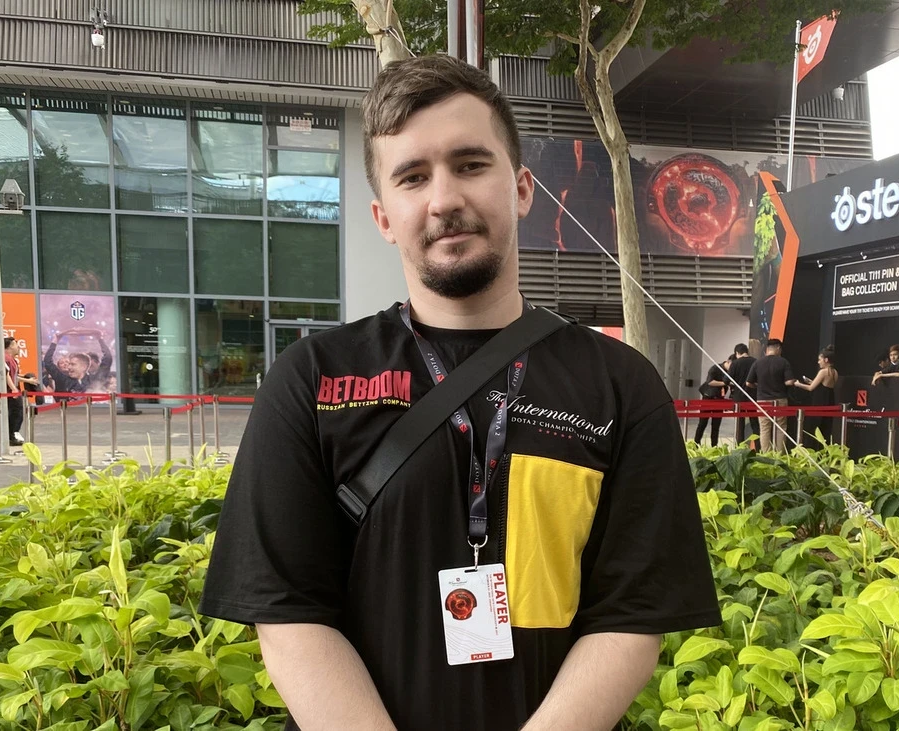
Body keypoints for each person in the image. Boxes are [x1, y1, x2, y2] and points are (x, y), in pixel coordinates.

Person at [199, 55, 720, 731]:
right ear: (384, 217)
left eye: (470, 164)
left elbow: (631, 616)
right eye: (413, 177)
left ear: (522, 189)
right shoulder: (311, 379)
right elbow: (288, 614)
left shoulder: (620, 386)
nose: (443, 198)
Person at [0, 337, 40, 447]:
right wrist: (14, 389)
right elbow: (5, 375)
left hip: (7, 385)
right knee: (17, 410)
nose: (18, 347)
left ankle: (0, 432)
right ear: (10, 346)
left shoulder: (11, 360)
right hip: (4, 385)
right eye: (15, 344)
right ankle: (8, 434)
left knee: (12, 411)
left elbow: (13, 376)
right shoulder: (5, 358)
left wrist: (27, 380)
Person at [746, 338, 797, 453]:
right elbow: (789, 382)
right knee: (780, 428)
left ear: (767, 349)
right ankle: (780, 454)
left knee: (764, 429)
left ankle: (766, 455)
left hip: (762, 400)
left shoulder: (757, 363)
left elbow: (748, 383)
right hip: (780, 399)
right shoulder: (783, 362)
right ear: (778, 348)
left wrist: (758, 386)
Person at [792, 348, 839, 443]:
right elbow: (824, 385)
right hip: (830, 400)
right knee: (826, 428)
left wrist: (798, 384)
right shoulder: (835, 372)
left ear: (826, 360)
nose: (818, 362)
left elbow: (811, 388)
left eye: (820, 359)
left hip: (820, 402)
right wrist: (811, 381)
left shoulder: (823, 372)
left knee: (815, 428)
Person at [694, 355, 732, 447]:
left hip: (719, 399)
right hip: (708, 397)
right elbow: (710, 382)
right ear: (728, 361)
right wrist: (724, 383)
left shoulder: (730, 372)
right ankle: (696, 444)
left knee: (716, 425)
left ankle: (714, 446)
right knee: (702, 423)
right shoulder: (715, 368)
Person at [727, 343, 760, 445]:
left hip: (739, 398)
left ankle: (739, 447)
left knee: (739, 425)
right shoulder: (756, 362)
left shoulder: (735, 363)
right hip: (753, 396)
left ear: (737, 353)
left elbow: (726, 380)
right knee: (755, 424)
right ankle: (758, 447)